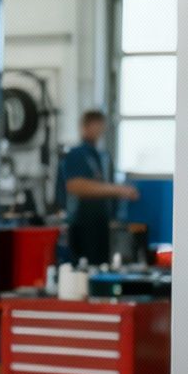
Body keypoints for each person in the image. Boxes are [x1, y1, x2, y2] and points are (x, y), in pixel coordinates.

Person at [61, 108, 139, 266]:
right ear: (84, 127)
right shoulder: (76, 154)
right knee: (84, 268)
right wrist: (118, 190)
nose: (98, 130)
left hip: (102, 225)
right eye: (94, 125)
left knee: (102, 265)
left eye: (100, 125)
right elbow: (75, 186)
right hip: (82, 226)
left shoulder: (102, 156)